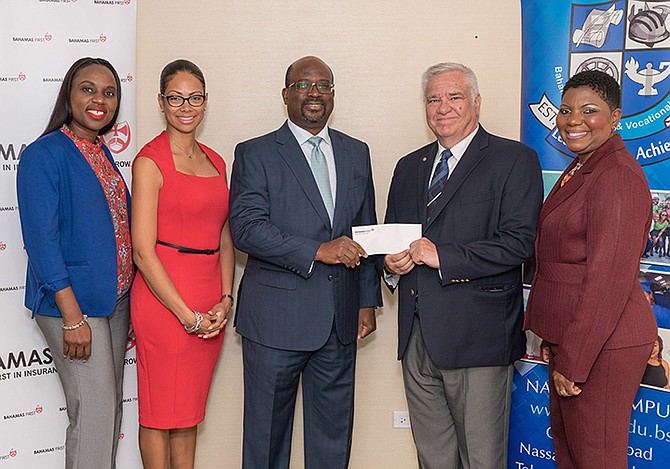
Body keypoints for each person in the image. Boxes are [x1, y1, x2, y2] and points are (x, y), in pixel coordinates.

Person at [382, 62, 543, 468]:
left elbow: (520, 244)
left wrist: (444, 256)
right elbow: (392, 237)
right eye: (433, 99)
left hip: (479, 339)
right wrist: (389, 264)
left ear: (476, 103)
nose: (443, 107)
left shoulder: (514, 159)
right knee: (432, 458)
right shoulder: (408, 166)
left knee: (481, 459)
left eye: (454, 97)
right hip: (417, 337)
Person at [229, 55, 381, 469]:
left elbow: (364, 228)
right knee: (266, 441)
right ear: (285, 95)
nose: (314, 94)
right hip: (275, 320)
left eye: (323, 86)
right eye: (303, 85)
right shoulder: (255, 152)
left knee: (333, 439)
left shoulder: (356, 152)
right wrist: (318, 250)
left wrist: (367, 300)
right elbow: (246, 229)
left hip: (340, 320)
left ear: (333, 94)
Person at [524, 70, 657, 468]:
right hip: (578, 337)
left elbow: (607, 281)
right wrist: (556, 336)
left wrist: (575, 359)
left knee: (596, 457)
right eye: (565, 110)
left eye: (589, 110)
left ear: (616, 117)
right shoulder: (583, 166)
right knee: (572, 454)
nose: (572, 120)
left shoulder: (616, 177)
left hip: (604, 345)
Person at [16, 57, 131, 468]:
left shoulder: (101, 152)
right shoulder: (44, 155)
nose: (99, 99)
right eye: (88, 89)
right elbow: (42, 243)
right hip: (74, 306)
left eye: (109, 92)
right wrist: (72, 317)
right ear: (69, 93)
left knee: (108, 412)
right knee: (96, 418)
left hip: (113, 303)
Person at [130, 59, 234, 468]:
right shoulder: (149, 162)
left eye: (194, 98)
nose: (185, 106)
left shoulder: (216, 160)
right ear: (161, 102)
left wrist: (226, 299)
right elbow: (142, 251)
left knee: (188, 411)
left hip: (210, 298)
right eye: (175, 98)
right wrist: (186, 315)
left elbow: (225, 236)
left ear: (205, 102)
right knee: (159, 414)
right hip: (164, 302)